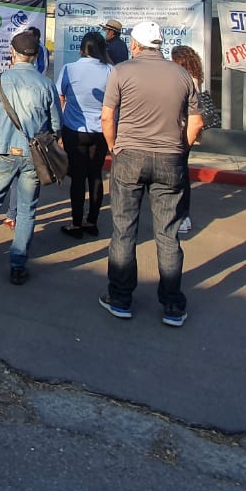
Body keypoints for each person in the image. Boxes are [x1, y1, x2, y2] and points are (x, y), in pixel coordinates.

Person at [98, 21, 202, 325]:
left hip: (129, 155)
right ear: (160, 43)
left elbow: (107, 116)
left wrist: (114, 146)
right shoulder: (182, 75)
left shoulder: (122, 71)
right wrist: (180, 149)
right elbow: (195, 123)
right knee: (168, 234)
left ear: (134, 44)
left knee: (123, 229)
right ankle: (172, 305)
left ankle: (120, 298)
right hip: (170, 157)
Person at [0, 27, 60, 286]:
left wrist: (2, 129)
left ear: (12, 53)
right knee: (27, 210)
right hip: (33, 155)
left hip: (3, 150)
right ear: (36, 55)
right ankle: (18, 266)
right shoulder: (46, 84)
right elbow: (56, 126)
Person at [56, 30, 113, 238]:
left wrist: (60, 127)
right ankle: (92, 222)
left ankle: (76, 224)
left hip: (74, 131)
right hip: (100, 132)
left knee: (78, 178)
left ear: (82, 48)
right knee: (96, 175)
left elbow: (60, 97)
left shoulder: (69, 69)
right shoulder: (110, 70)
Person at [169, 44, 215, 236]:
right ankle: (182, 215)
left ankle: (181, 215)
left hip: (182, 131)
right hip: (187, 131)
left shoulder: (186, 80)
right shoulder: (194, 78)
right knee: (182, 173)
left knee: (178, 175)